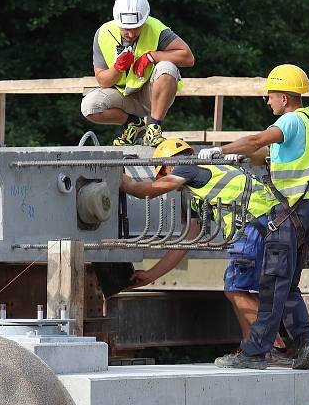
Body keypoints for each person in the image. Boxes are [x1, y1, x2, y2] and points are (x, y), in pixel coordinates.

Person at [120, 139, 291, 366]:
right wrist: (151, 275)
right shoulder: (203, 180)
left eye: (165, 171)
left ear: (169, 164)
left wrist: (123, 182)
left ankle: (273, 348)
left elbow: (150, 190)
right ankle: (253, 349)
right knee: (235, 289)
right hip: (267, 224)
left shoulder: (186, 165)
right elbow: (188, 237)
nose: (170, 178)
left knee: (236, 289)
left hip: (255, 225)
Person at [201, 64, 309, 370]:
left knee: (271, 284)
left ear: (284, 97)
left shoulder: (291, 120)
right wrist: (242, 154)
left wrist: (219, 150)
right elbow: (266, 154)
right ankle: (305, 343)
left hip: (288, 214)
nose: (267, 101)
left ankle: (254, 353)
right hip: (308, 214)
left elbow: (259, 141)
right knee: (288, 285)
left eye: (270, 95)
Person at [81, 0, 194, 147]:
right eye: (126, 28)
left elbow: (188, 57)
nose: (131, 33)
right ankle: (134, 124)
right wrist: (117, 68)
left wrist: (152, 56)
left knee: (167, 67)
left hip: (151, 95)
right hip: (123, 96)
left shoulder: (156, 29)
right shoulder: (103, 34)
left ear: (145, 19)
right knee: (89, 106)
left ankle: (153, 128)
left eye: (136, 27)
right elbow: (102, 81)